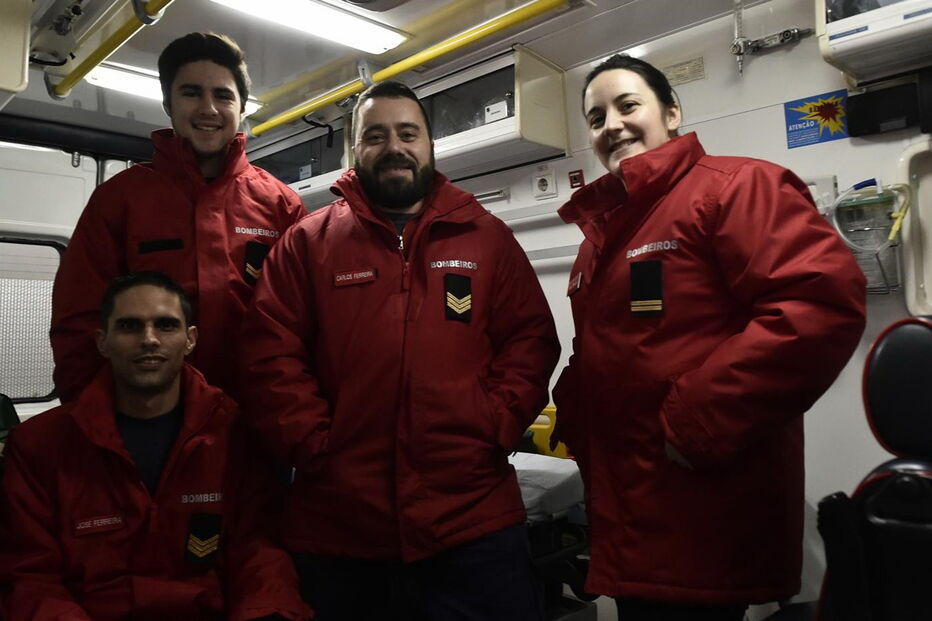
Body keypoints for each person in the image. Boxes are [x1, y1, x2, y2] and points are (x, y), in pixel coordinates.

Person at [551, 54, 867, 621]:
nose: (612, 126)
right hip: (629, 506)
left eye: (628, 106)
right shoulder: (601, 236)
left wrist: (697, 419)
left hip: (699, 503)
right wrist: (572, 406)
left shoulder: (736, 187)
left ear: (672, 113)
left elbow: (816, 305)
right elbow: (610, 347)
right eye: (596, 118)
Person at [239, 81, 560, 620]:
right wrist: (317, 446)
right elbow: (270, 355)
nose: (395, 146)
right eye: (376, 135)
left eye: (409, 133)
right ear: (353, 150)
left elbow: (530, 341)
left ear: (430, 145)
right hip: (341, 527)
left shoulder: (487, 238)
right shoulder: (307, 244)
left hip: (472, 520)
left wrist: (494, 423)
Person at [0, 272, 310, 621]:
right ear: (103, 342)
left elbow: (259, 551)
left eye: (165, 325)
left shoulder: (237, 434)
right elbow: (29, 577)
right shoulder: (40, 445)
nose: (149, 340)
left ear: (190, 339)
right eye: (130, 326)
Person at [50, 32, 305, 403]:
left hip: (255, 425)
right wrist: (97, 420)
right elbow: (80, 323)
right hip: (146, 422)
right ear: (168, 104)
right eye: (191, 93)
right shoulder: (119, 200)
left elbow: (303, 325)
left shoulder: (281, 205)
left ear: (243, 107)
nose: (208, 108)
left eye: (223, 95)